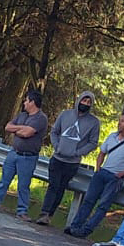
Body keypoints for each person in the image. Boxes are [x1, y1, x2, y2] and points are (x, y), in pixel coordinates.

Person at [66, 112, 124, 238]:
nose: (119, 123)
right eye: (119, 120)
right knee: (88, 200)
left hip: (116, 177)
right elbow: (102, 153)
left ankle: (86, 230)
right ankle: (75, 226)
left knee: (103, 205)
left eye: (123, 121)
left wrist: (121, 174)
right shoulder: (112, 136)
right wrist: (98, 168)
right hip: (103, 172)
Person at [0, 90, 49, 221]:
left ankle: (22, 211)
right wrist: (21, 128)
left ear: (32, 102)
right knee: (4, 180)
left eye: (26, 100)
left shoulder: (41, 118)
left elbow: (27, 133)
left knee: (23, 185)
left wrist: (17, 129)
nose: (24, 102)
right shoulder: (22, 115)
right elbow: (7, 127)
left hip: (28, 157)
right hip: (14, 153)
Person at [34, 92, 100, 225]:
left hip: (72, 163)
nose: (85, 104)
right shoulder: (65, 114)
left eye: (88, 103)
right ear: (79, 100)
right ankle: (44, 213)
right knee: (53, 185)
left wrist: (77, 152)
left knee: (61, 188)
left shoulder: (94, 122)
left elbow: (93, 143)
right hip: (57, 158)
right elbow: (54, 132)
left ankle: (50, 214)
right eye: (84, 101)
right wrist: (57, 146)